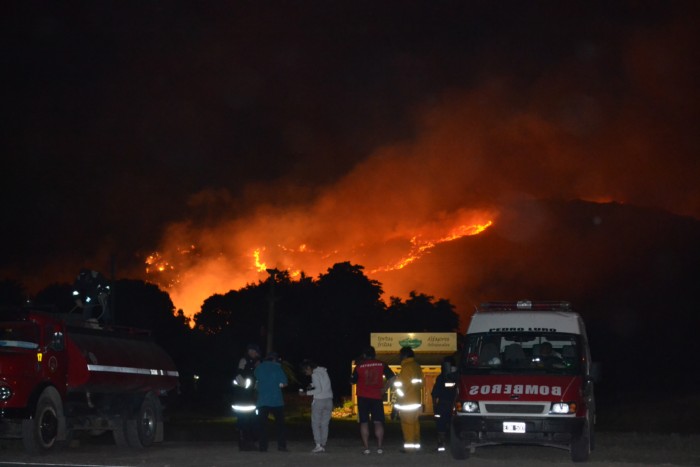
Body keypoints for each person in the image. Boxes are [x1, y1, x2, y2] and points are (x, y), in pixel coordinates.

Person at [350, 345, 395, 455]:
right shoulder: (381, 364)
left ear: (364, 355)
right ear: (374, 354)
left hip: (363, 397)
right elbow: (393, 377)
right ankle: (379, 447)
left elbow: (352, 381)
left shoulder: (359, 366)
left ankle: (366, 448)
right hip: (376, 396)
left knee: (364, 422)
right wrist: (384, 389)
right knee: (378, 422)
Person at [254, 352, 288, 452]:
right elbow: (284, 383)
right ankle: (281, 446)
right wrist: (278, 385)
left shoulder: (259, 368)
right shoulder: (278, 368)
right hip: (276, 400)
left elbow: (256, 379)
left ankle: (263, 447)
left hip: (262, 400)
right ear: (274, 359)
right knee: (280, 425)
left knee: (263, 426)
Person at [393, 346, 424, 452]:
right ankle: (416, 445)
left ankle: (410, 449)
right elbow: (421, 384)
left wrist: (397, 403)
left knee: (407, 425)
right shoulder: (416, 366)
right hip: (415, 401)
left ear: (404, 355)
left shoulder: (406, 368)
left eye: (400, 355)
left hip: (406, 402)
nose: (399, 357)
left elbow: (402, 388)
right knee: (415, 424)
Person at [299, 359, 333, 453]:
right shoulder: (323, 371)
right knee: (324, 424)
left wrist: (306, 393)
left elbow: (318, 390)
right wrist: (312, 384)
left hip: (319, 401)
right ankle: (323, 444)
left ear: (309, 368)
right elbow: (323, 383)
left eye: (305, 371)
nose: (306, 373)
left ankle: (318, 444)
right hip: (329, 400)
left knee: (315, 423)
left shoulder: (314, 374)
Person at [232, 343, 261, 451]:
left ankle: (249, 443)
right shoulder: (244, 361)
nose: (254, 353)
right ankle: (244, 444)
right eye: (252, 351)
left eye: (255, 352)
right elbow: (239, 376)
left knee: (251, 422)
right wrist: (247, 386)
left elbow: (256, 381)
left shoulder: (255, 363)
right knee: (243, 422)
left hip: (250, 399)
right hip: (242, 399)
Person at [431, 356, 457, 452]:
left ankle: (441, 446)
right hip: (455, 406)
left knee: (440, 426)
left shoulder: (441, 377)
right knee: (455, 426)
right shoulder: (458, 377)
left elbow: (434, 394)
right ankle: (456, 445)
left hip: (442, 406)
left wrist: (435, 407)